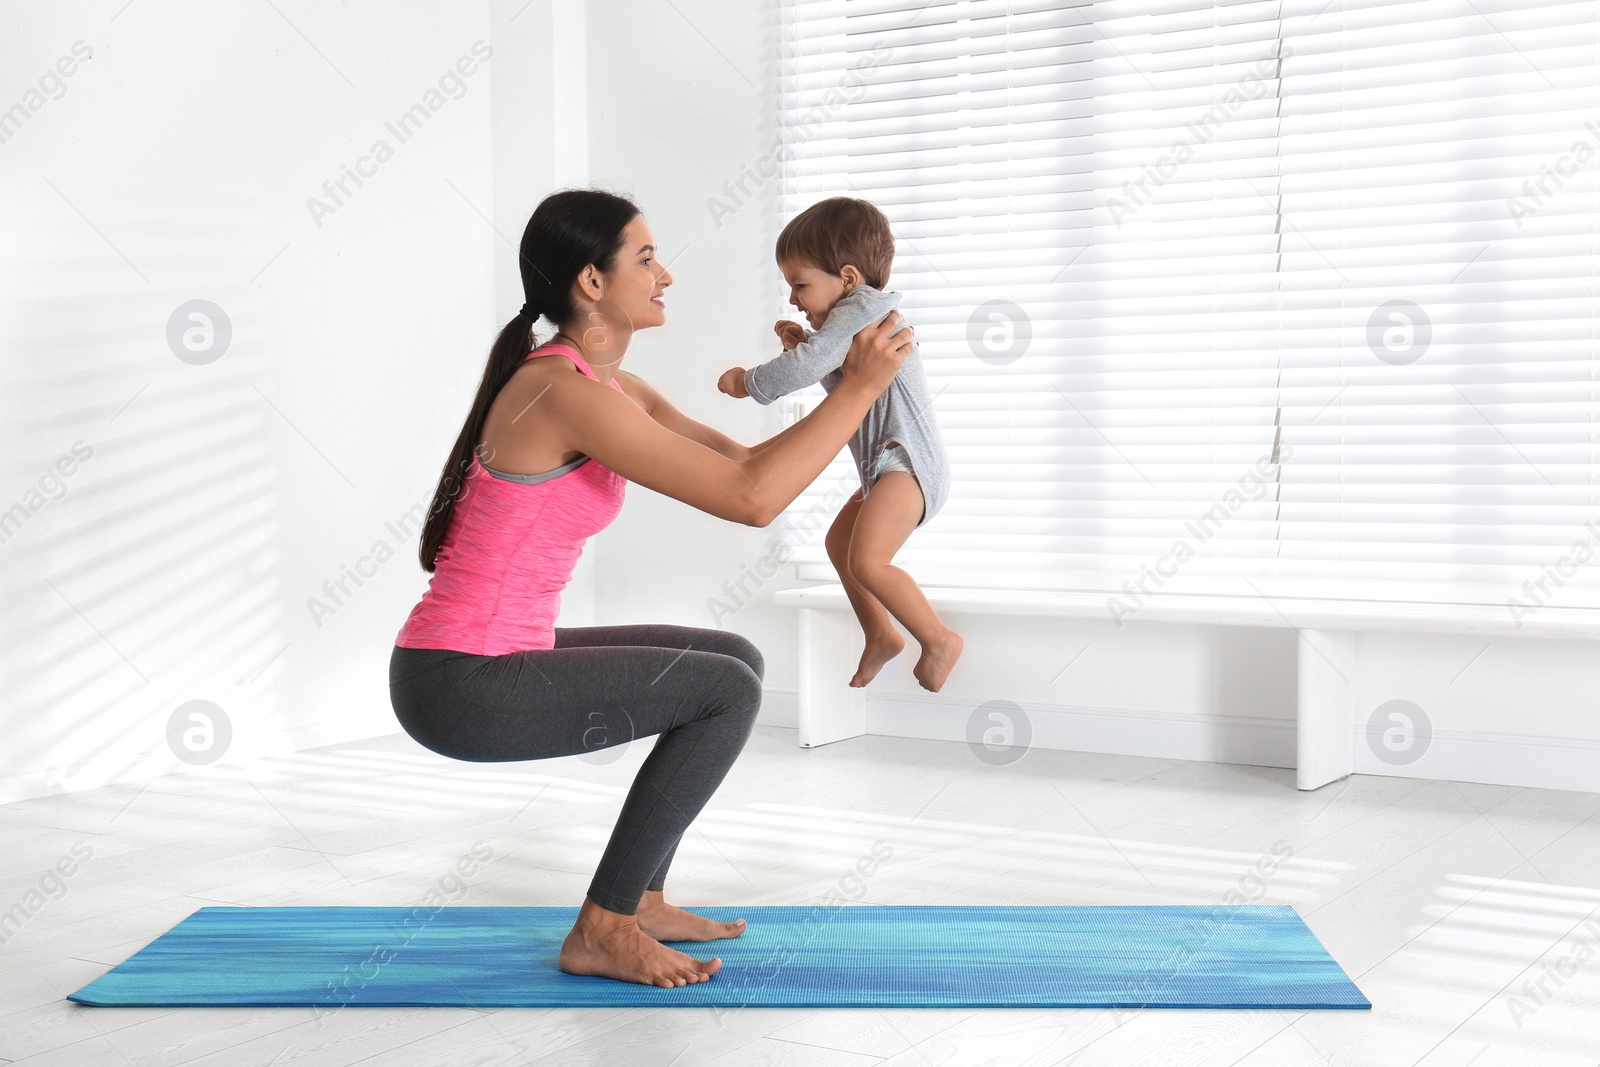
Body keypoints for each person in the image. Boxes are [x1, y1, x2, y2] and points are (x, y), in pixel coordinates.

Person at [387, 188, 913, 989]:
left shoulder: (608, 388)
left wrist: (839, 381)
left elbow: (742, 467)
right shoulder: (561, 390)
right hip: (458, 680)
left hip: (491, 656)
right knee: (723, 692)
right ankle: (601, 928)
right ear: (592, 284)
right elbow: (752, 502)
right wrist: (858, 390)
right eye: (644, 258)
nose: (665, 274)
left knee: (732, 657)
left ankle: (642, 898)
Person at [717, 197, 962, 692]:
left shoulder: (865, 306)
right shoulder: (854, 319)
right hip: (887, 468)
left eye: (799, 284)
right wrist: (803, 344)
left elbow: (810, 369)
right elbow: (849, 387)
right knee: (839, 545)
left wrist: (751, 381)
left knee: (869, 560)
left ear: (847, 279)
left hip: (910, 467)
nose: (792, 299)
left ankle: (937, 639)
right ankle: (880, 634)